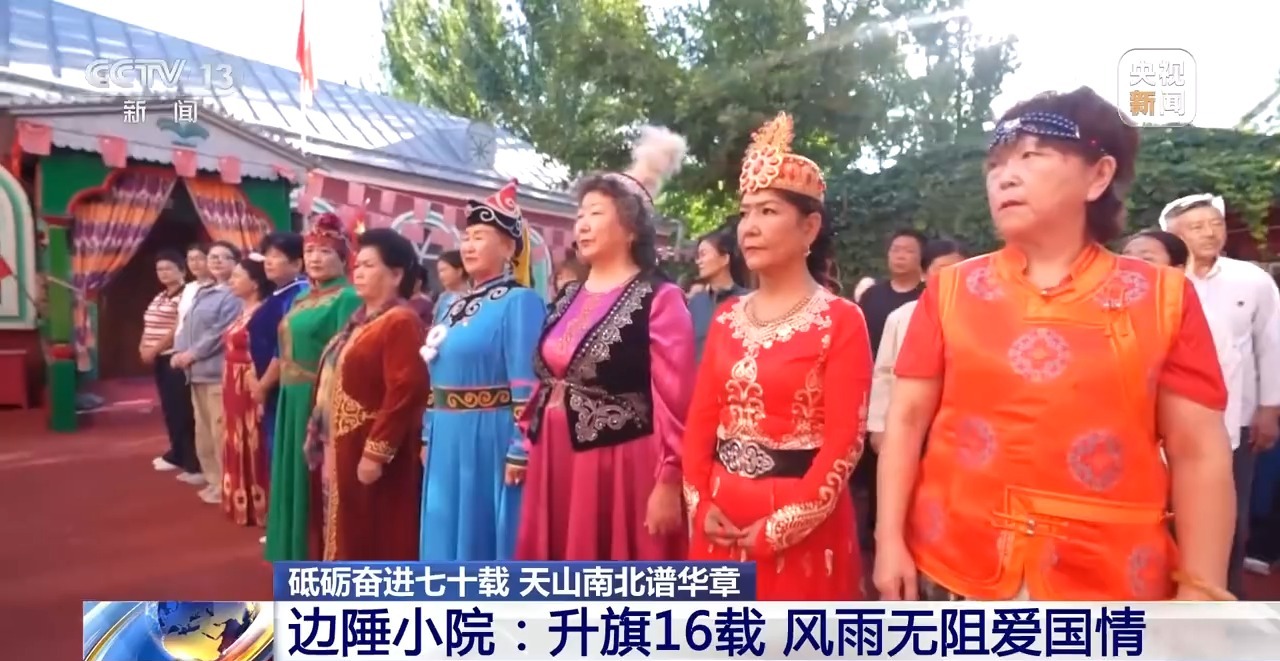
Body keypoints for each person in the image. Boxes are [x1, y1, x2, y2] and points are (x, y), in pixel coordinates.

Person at [875, 88, 1234, 601]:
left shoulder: (1164, 298)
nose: (1005, 176)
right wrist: (888, 539)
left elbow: (1198, 450)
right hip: (956, 565)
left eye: (1031, 155)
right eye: (996, 163)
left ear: (1098, 175)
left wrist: (1201, 589)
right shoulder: (950, 291)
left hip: (1111, 579)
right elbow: (906, 420)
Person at [682, 112, 872, 599]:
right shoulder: (726, 317)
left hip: (800, 520)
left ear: (809, 227)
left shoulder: (840, 320)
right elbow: (701, 422)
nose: (749, 227)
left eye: (767, 211)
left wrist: (783, 526)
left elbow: (845, 444)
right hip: (720, 514)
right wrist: (699, 501)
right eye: (746, 213)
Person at [516, 126, 694, 561]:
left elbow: (674, 402)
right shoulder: (569, 297)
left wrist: (670, 479)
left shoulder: (660, 298)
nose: (582, 223)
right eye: (580, 214)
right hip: (553, 459)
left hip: (618, 465)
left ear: (631, 229)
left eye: (595, 213)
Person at [419, 180, 547, 561]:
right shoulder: (449, 304)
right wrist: (427, 432)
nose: (469, 245)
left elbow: (528, 382)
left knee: (481, 535)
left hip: (489, 435)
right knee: (442, 526)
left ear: (508, 248)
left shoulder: (520, 301)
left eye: (480, 237)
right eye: (466, 237)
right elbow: (434, 374)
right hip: (445, 434)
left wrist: (520, 449)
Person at [1161, 193, 1280, 596]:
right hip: (1162, 426)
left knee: (1229, 518)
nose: (1210, 233)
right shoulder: (1159, 281)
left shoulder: (1252, 280)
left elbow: (1271, 344)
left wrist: (1269, 407)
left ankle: (1223, 599)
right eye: (1197, 227)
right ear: (1173, 235)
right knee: (1165, 514)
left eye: (1216, 224)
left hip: (1234, 423)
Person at [306, 228, 429, 560]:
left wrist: (376, 452)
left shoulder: (400, 321)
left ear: (396, 274)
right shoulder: (360, 322)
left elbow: (406, 390)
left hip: (368, 444)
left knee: (372, 530)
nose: (358, 272)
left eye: (369, 265)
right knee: (342, 523)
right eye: (357, 265)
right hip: (340, 443)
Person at [264, 213, 362, 561]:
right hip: (290, 397)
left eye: (325, 251)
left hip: (317, 396)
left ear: (343, 258)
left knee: (314, 480)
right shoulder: (302, 298)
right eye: (310, 251)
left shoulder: (347, 298)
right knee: (290, 474)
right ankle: (290, 549)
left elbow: (345, 358)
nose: (315, 258)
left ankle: (315, 554)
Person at [852, 227, 928, 554]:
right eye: (895, 249)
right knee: (872, 466)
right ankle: (874, 534)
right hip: (871, 389)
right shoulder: (872, 297)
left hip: (912, 391)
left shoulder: (927, 298)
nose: (900, 255)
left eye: (908, 251)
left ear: (921, 258)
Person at [867, 239, 966, 453]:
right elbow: (883, 373)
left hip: (959, 427)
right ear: (923, 274)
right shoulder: (901, 317)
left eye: (958, 270)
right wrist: (879, 425)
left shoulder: (978, 319)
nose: (950, 277)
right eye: (941, 269)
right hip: (907, 421)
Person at [171, 241, 244, 505]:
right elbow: (186, 326)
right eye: (213, 256)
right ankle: (213, 480)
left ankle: (226, 483)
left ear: (236, 263)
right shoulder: (204, 291)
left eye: (224, 257)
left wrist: (192, 354)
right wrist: (179, 351)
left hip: (216, 372)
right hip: (195, 373)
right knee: (203, 432)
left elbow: (220, 332)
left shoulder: (234, 294)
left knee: (219, 431)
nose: (216, 261)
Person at [221, 255, 276, 525]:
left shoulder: (263, 313)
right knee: (235, 436)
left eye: (237, 276)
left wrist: (259, 384)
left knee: (254, 437)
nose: (231, 281)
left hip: (251, 380)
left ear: (255, 283)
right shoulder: (242, 310)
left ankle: (262, 505)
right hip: (231, 383)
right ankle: (241, 499)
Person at [251, 232, 308, 459]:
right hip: (268, 385)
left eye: (276, 256)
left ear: (297, 264)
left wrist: (263, 385)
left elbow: (283, 347)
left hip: (285, 386)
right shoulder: (277, 294)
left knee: (285, 449)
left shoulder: (299, 294)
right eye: (267, 255)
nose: (268, 261)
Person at [156, 244, 210, 486]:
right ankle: (187, 458)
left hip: (200, 357)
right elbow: (181, 323)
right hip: (178, 354)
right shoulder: (190, 289)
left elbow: (212, 330)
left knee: (195, 415)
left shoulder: (220, 290)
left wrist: (189, 352)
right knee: (179, 411)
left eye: (200, 258)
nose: (196, 263)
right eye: (191, 259)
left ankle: (199, 465)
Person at [144, 251, 199, 477]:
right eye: (159, 269)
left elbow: (177, 328)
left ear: (182, 271)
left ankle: (191, 460)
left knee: (181, 409)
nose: (163, 273)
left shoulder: (187, 295)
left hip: (174, 356)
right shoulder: (160, 296)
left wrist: (154, 349)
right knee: (169, 408)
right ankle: (176, 452)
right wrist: (143, 346)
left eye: (168, 268)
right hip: (159, 357)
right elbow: (149, 323)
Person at [689, 224, 749, 362]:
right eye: (698, 256)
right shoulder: (695, 302)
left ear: (724, 259)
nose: (699, 261)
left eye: (703, 254)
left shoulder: (747, 301)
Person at [433, 249, 468, 324]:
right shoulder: (443, 297)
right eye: (439, 271)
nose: (440, 275)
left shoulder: (470, 298)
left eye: (443, 270)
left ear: (459, 271)